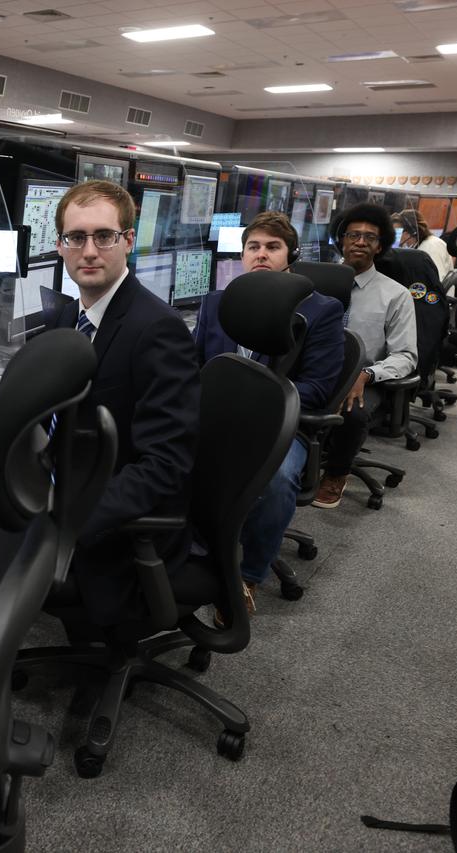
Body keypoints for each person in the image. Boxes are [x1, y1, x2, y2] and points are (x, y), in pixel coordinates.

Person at [0, 180, 200, 695]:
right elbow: (37, 383)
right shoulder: (69, 312)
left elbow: (165, 465)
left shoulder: (156, 329)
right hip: (57, 479)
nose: (88, 250)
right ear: (58, 245)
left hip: (100, 518)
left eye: (103, 236)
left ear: (129, 241)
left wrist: (63, 518)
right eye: (74, 237)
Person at [193, 212, 344, 619]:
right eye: (253, 247)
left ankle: (247, 574)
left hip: (281, 425)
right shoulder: (216, 303)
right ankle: (185, 555)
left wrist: (257, 405)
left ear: (291, 254)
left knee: (276, 481)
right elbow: (194, 365)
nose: (261, 255)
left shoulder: (321, 311)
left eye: (272, 247)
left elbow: (318, 386)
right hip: (216, 419)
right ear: (242, 255)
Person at [313, 202, 418, 509]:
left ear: (380, 246)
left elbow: (406, 356)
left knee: (352, 412)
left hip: (365, 379)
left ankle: (336, 473)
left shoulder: (396, 295)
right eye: (353, 235)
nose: (360, 241)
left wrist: (368, 373)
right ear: (340, 240)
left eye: (369, 237)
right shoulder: (315, 282)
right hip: (317, 369)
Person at [392, 209, 453, 279]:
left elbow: (437, 279)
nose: (395, 237)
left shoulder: (431, 247)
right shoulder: (420, 246)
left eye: (397, 232)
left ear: (410, 232)